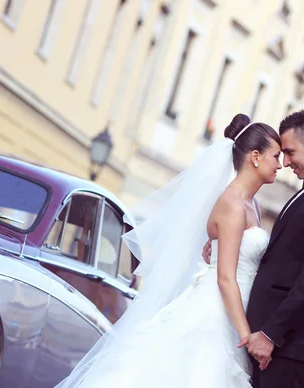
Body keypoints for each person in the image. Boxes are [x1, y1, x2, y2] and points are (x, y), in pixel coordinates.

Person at [56, 113, 282, 387]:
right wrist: (246, 335)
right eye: (276, 156)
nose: (280, 165)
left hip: (234, 308)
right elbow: (225, 277)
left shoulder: (251, 205)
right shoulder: (233, 203)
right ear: (255, 157)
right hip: (215, 313)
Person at [204, 109, 304, 388]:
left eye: (289, 153)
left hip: (290, 346)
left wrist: (271, 335)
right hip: (263, 340)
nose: (285, 163)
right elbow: (283, 259)